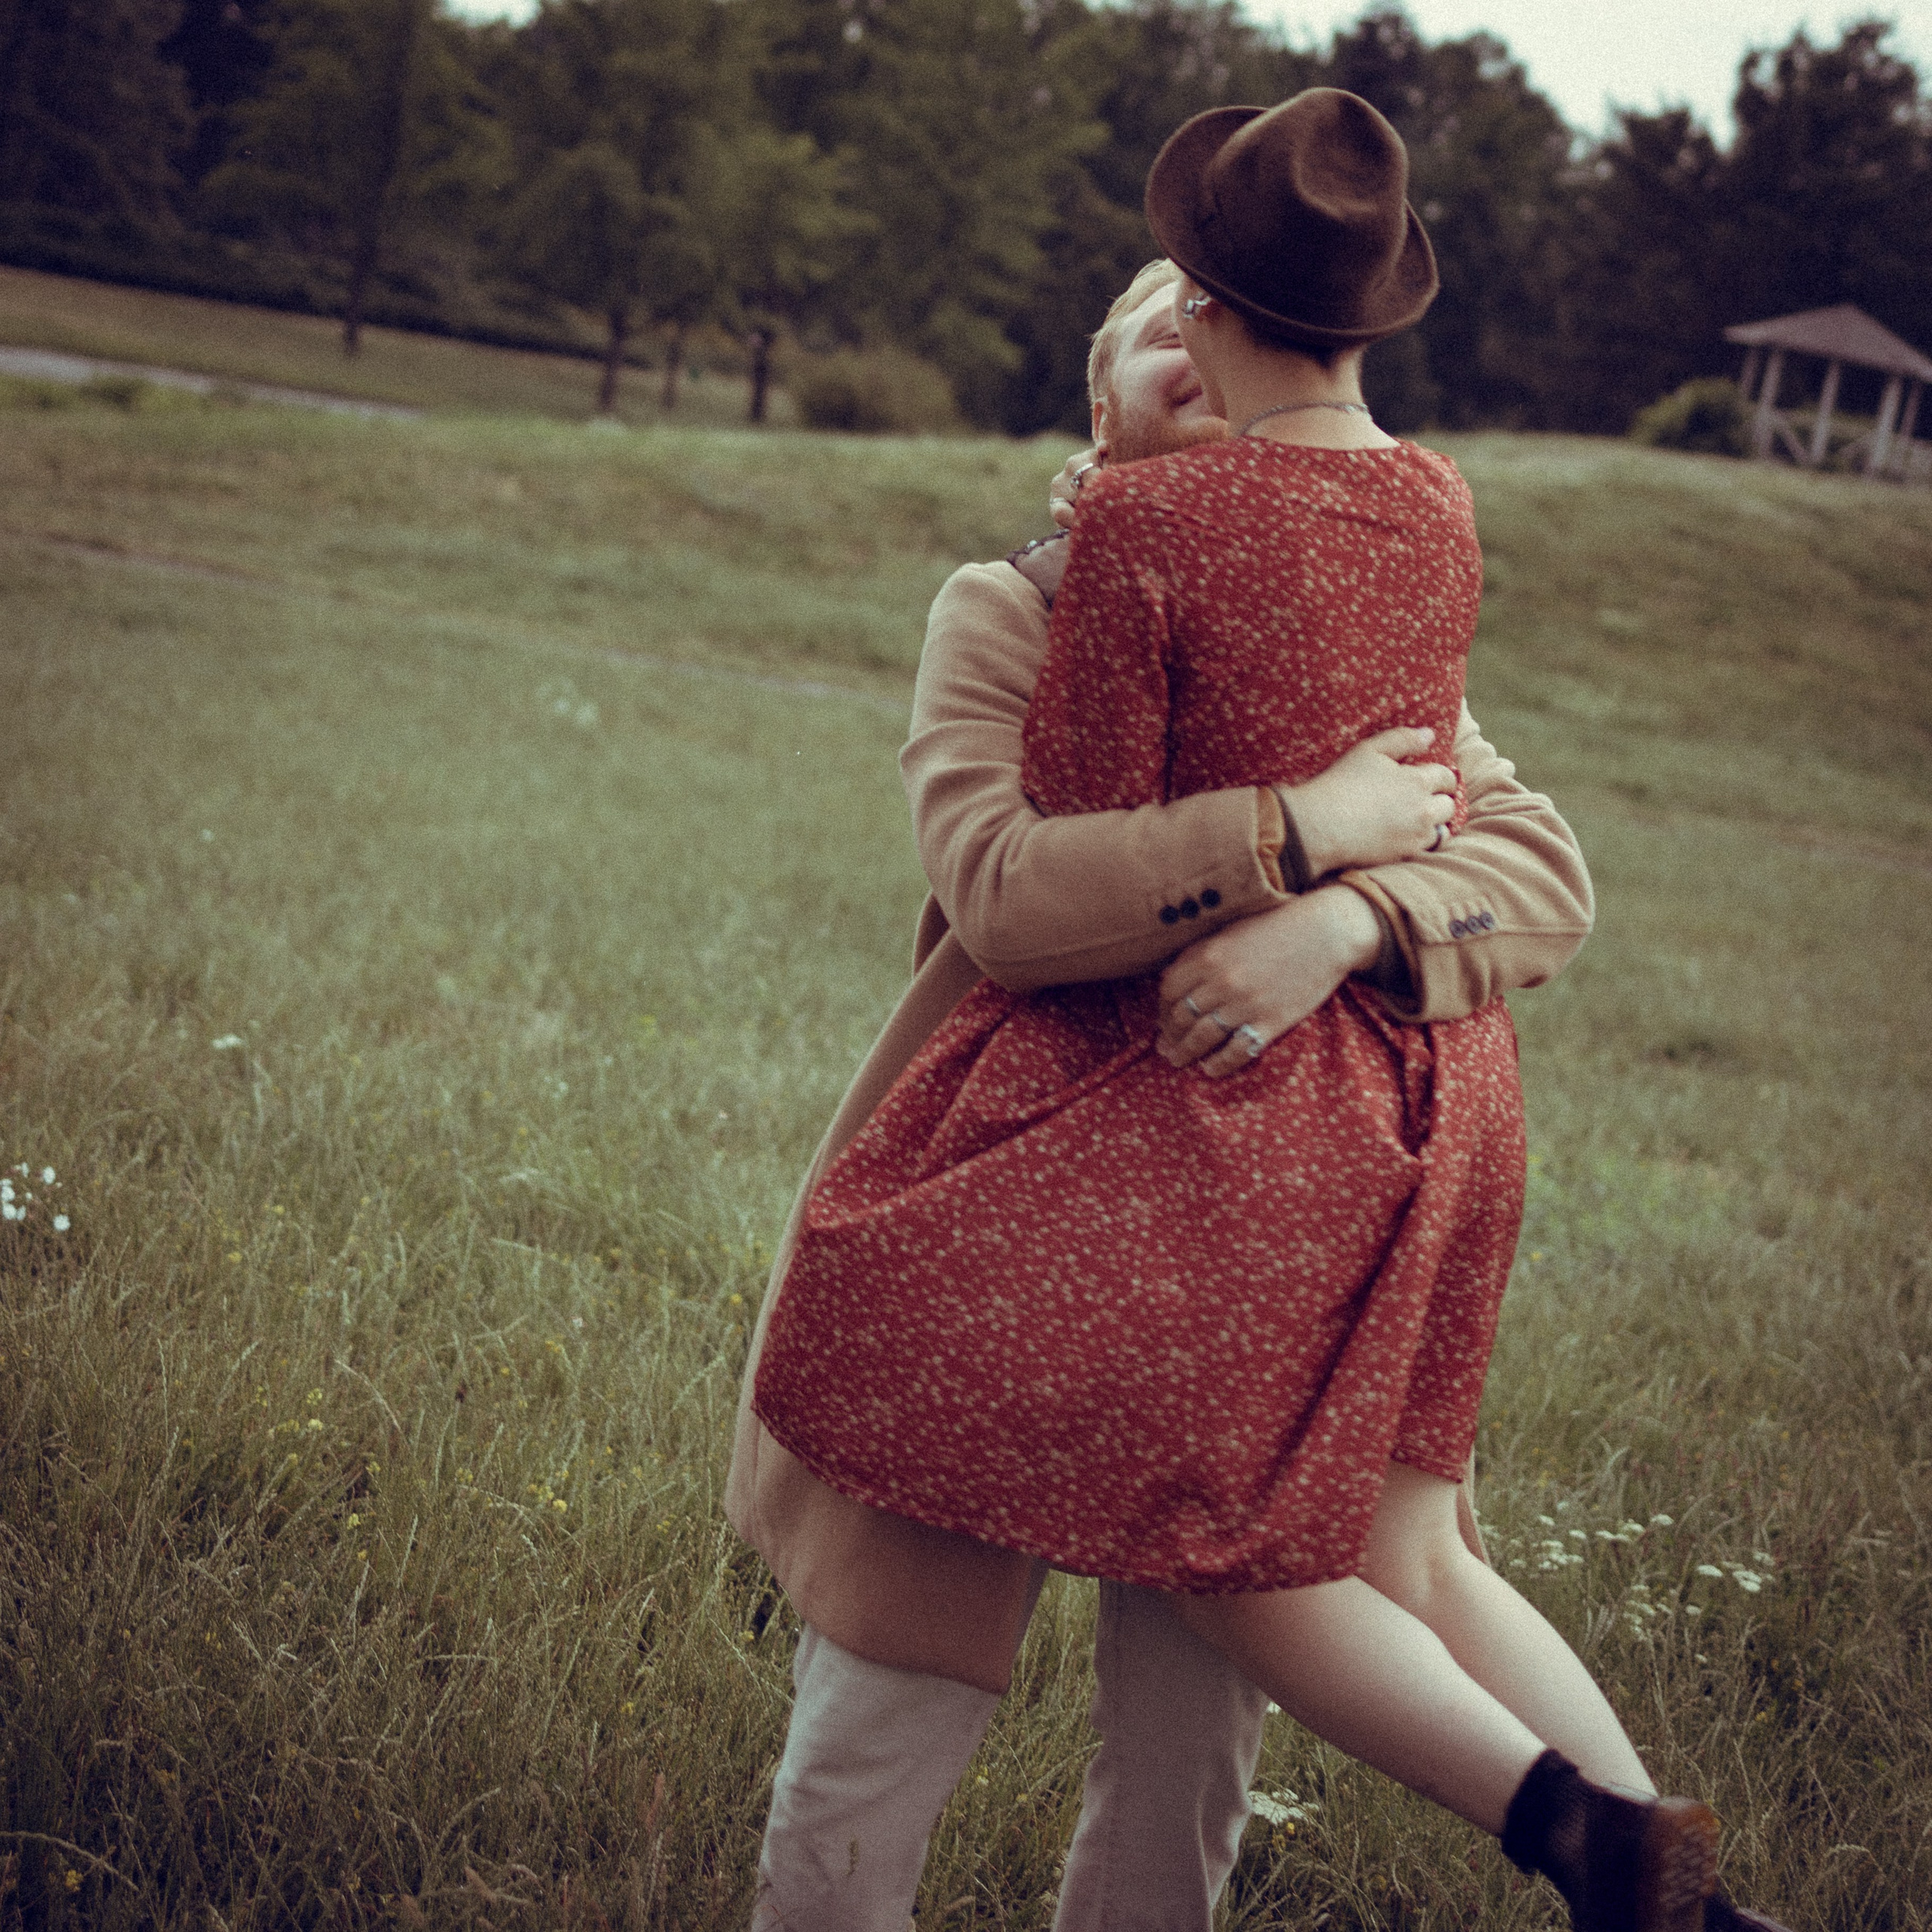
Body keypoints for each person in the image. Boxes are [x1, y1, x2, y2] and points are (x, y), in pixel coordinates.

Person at [729, 245, 1598, 1932]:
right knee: (883, 1705)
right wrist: (1293, 830)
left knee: (1191, 1731)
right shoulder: (1015, 602)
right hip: (1012, 1209)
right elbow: (1000, 889)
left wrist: (1341, 918)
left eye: (1224, 313)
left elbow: (1541, 875)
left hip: (1250, 1256)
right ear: (1104, 388)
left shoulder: (1372, 643)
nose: (1197, 339)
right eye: (1158, 319)